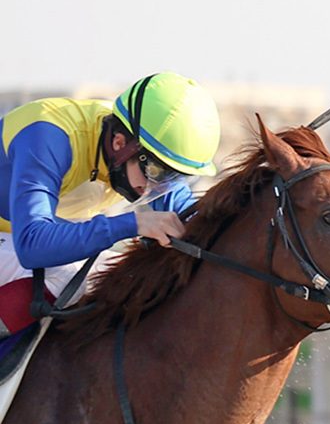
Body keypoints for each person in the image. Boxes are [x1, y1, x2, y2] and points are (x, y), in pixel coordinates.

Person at [0, 72, 220, 334]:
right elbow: (33, 245)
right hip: (26, 239)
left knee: (131, 276)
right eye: (158, 172)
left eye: (176, 177)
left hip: (17, 236)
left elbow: (193, 220)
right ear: (119, 144)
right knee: (71, 274)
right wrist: (133, 223)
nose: (161, 188)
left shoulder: (136, 145)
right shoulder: (48, 138)